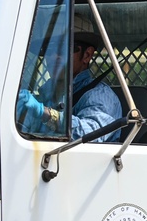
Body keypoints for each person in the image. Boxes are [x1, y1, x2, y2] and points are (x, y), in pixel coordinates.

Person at [17, 14, 122, 142]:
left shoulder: (100, 95)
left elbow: (90, 134)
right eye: (49, 49)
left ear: (87, 55)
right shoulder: (43, 96)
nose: (53, 56)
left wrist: (46, 114)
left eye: (63, 48)